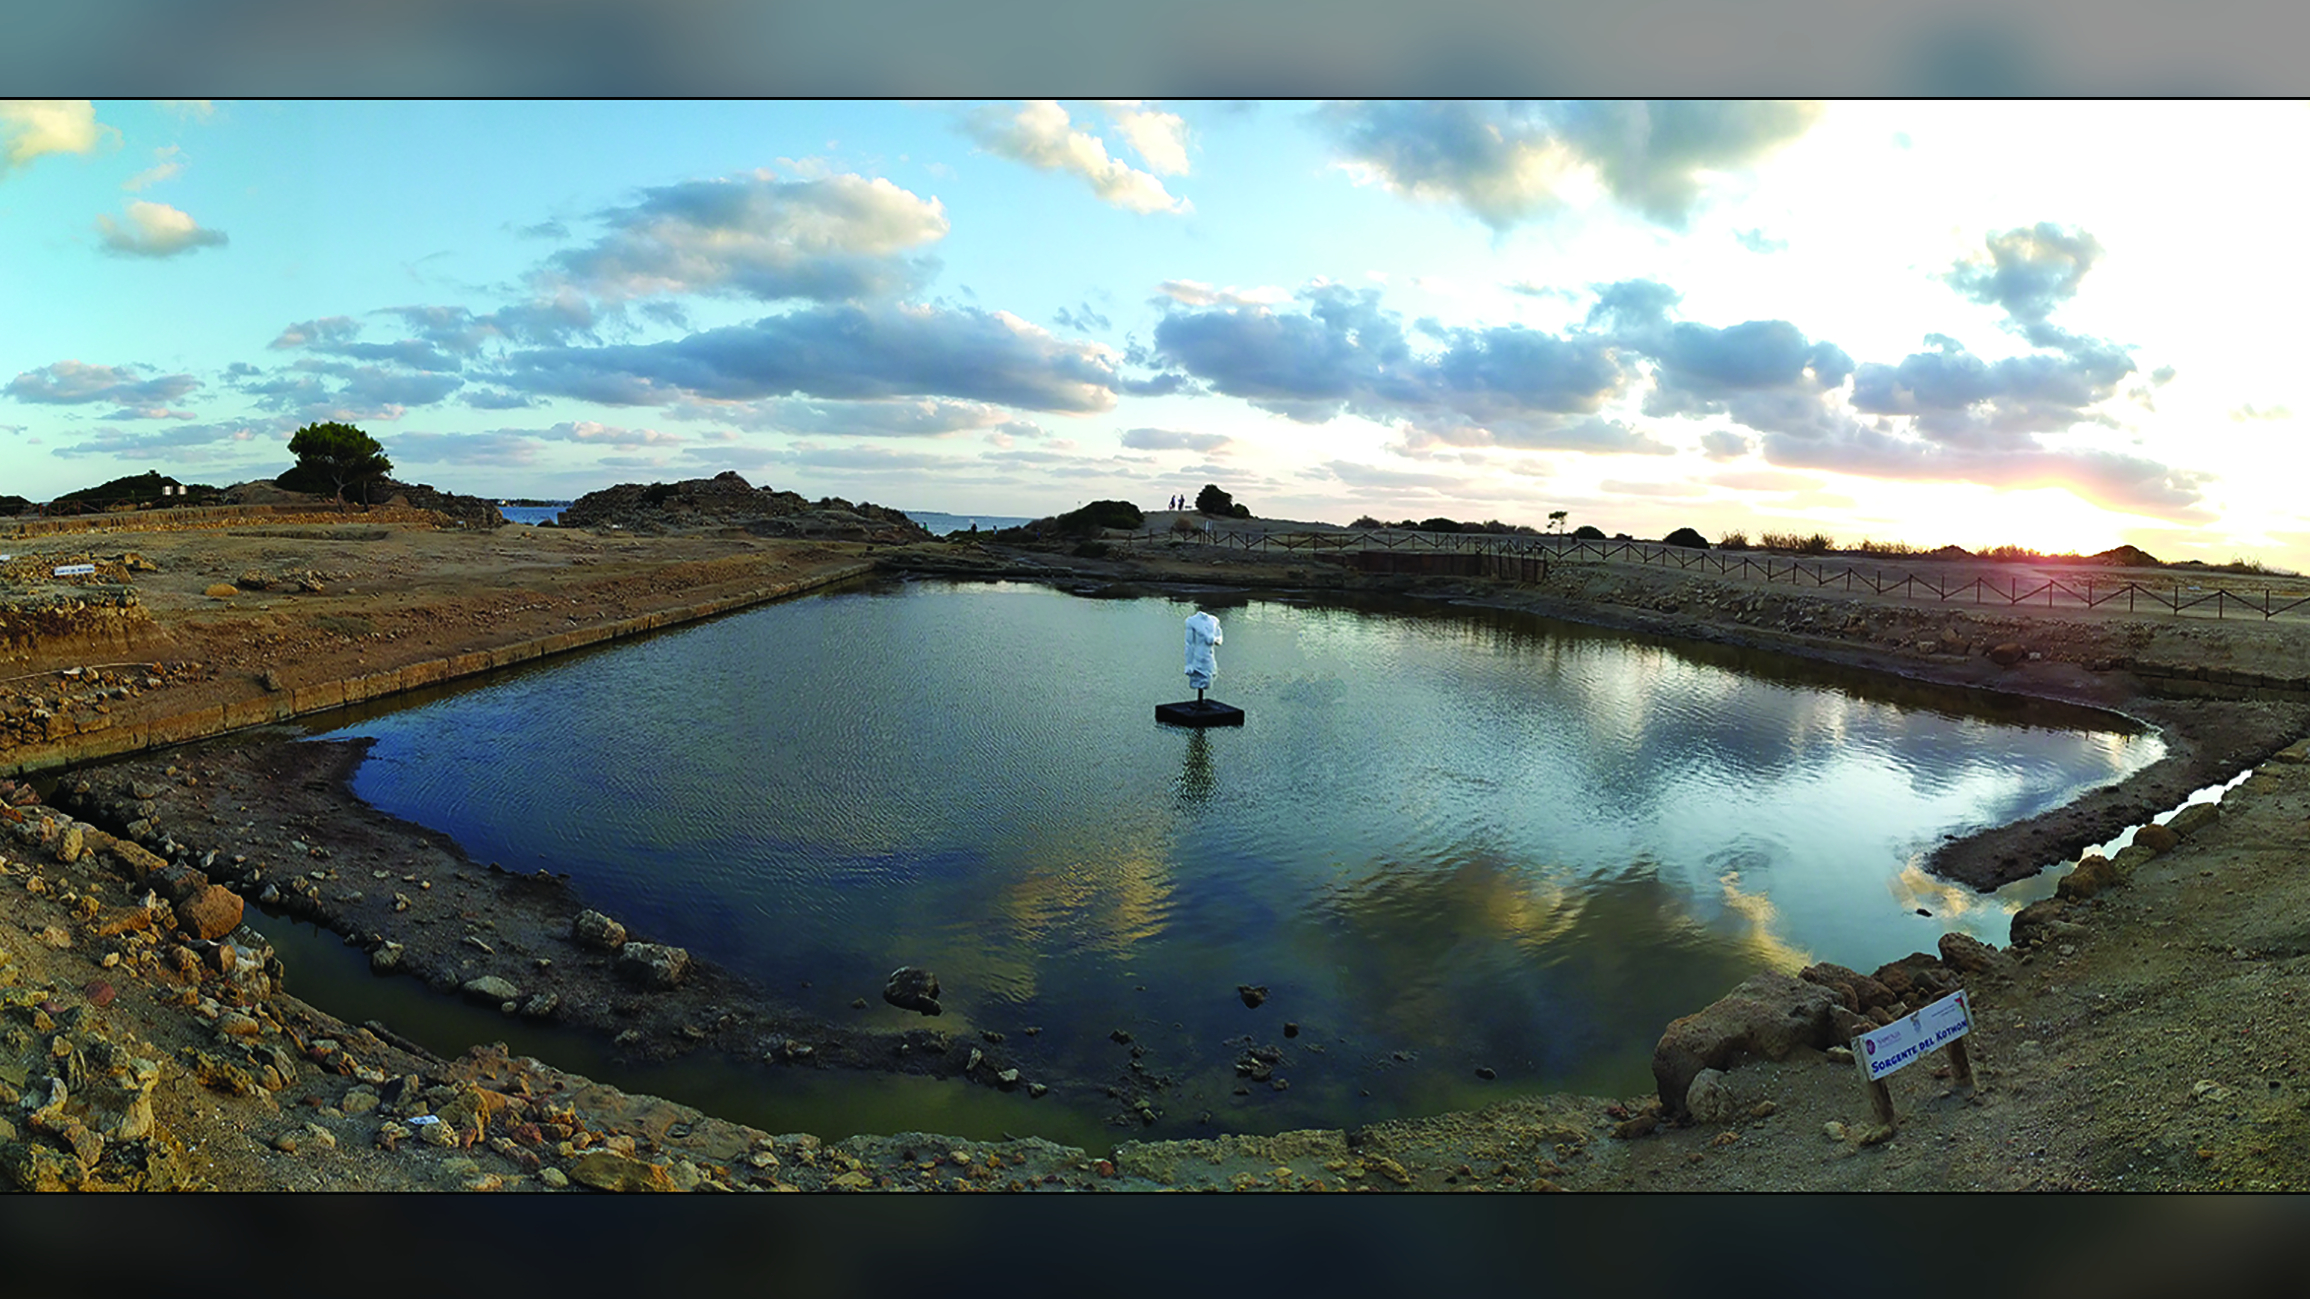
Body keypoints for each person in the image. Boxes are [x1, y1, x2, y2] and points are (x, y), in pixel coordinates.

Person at [1184, 609, 1222, 701]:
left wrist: (1214, 639)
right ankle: (1199, 700)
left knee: (1210, 677)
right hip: (1198, 658)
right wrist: (1189, 663)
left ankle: (1201, 701)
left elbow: (1220, 639)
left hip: (1209, 657)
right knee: (1198, 680)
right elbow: (1189, 644)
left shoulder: (1214, 620)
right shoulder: (1191, 621)